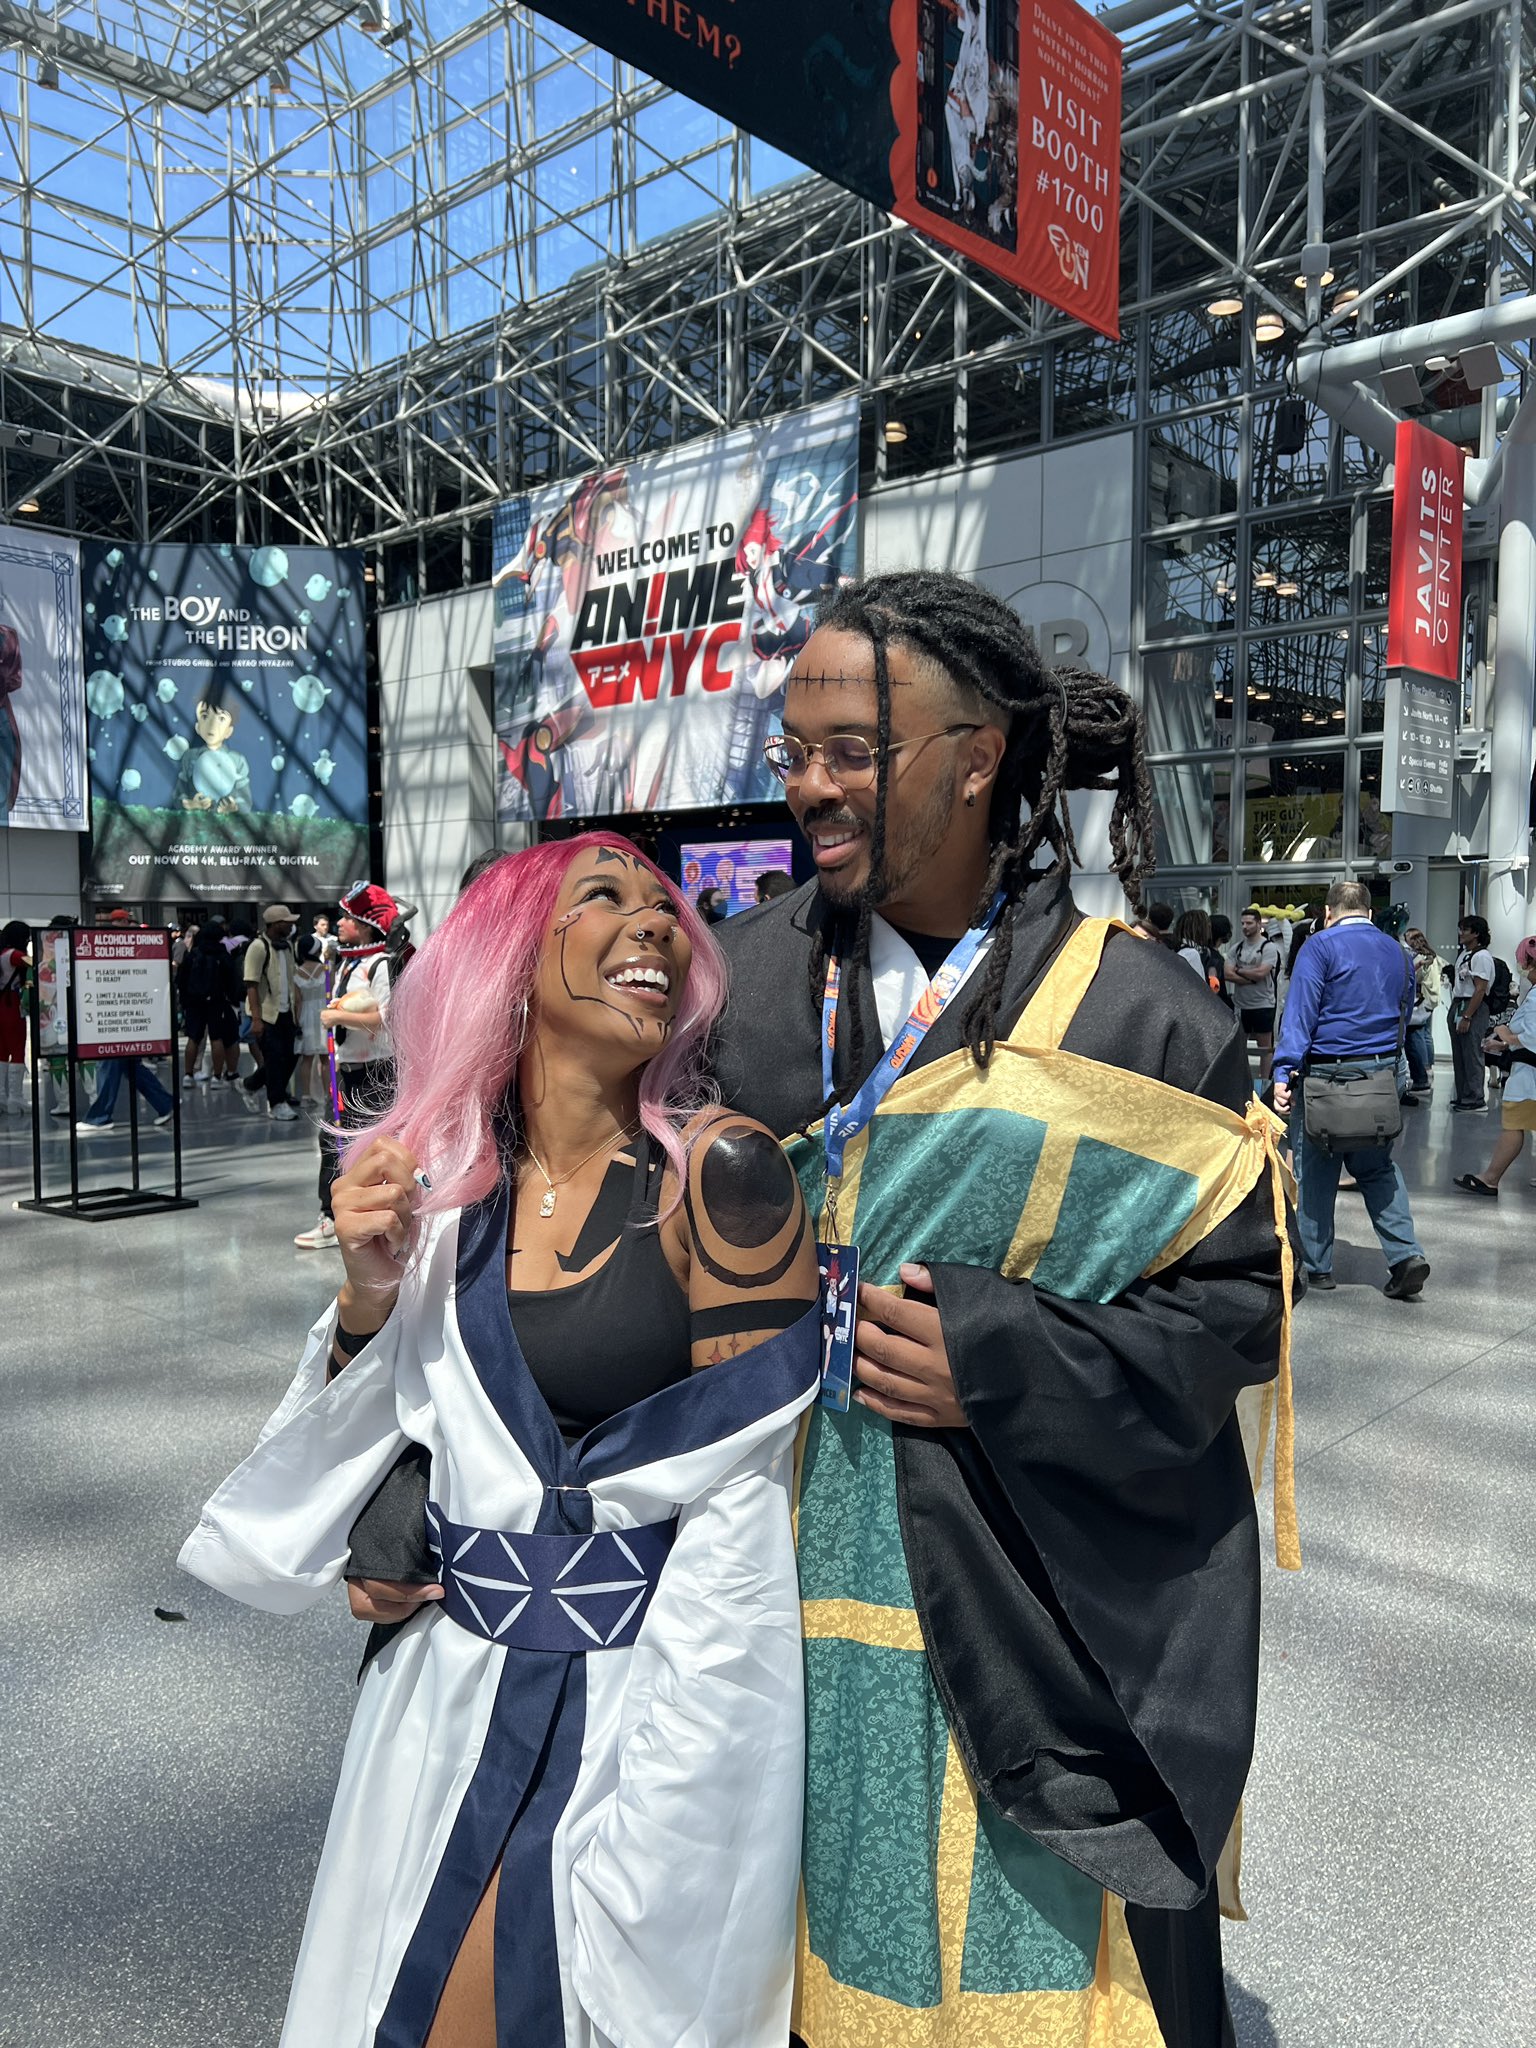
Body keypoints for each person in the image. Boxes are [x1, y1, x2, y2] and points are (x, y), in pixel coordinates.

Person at [711, 570, 1295, 2048]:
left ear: (977, 758)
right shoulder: (742, 989)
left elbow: (1235, 1316)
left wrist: (1003, 1357)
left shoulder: (1140, 1013)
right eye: (794, 752)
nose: (811, 787)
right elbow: (588, 1240)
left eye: (853, 750)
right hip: (764, 1591)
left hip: (1032, 1604)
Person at [180, 834, 822, 2046]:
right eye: (604, 897)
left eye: (662, 906)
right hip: (433, 1703)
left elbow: (745, 1522)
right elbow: (372, 1437)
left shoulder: (724, 1178)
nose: (655, 922)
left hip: (637, 1709)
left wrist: (684, 1811)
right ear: (511, 960)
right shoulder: (443, 1185)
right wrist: (369, 1294)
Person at [1271, 880, 1427, 1299]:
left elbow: (1300, 1013)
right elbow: (1405, 1010)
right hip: (1381, 1075)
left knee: (1316, 1172)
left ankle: (1317, 1267)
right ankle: (1405, 1256)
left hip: (1327, 1078)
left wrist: (1284, 1071)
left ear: (1328, 913)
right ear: (1370, 913)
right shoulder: (1398, 951)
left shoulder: (1319, 947)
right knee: (1377, 1168)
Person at [294, 883, 404, 1251]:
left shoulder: (380, 964)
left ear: (365, 925)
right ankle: (331, 1216)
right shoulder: (346, 962)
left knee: (372, 1146)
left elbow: (386, 1019)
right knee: (332, 1140)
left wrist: (338, 1016)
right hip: (346, 1070)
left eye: (347, 918)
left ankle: (378, 1221)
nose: (339, 923)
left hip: (376, 1071)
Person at [1454, 936, 1536, 1196]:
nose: (1522, 967)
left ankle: (1491, 1178)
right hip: (1527, 1068)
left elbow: (1533, 1037)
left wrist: (1506, 1035)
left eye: (1525, 963)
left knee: (1514, 1124)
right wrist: (1504, 1044)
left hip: (1528, 1075)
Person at [240, 903, 302, 1121]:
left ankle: (252, 1084)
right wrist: (256, 1019)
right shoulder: (258, 947)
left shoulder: (288, 947)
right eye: (287, 922)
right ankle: (276, 1103)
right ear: (276, 924)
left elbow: (291, 980)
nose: (292, 926)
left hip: (286, 1013)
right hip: (266, 1014)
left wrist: (297, 1010)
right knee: (275, 1058)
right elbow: (251, 984)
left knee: (290, 1056)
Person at [178, 919, 240, 1089]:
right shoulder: (223, 955)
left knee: (193, 1038)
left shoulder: (192, 955)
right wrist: (232, 999)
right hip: (217, 1001)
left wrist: (184, 1001)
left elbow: (182, 980)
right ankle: (217, 1077)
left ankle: (188, 1075)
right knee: (216, 1038)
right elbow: (232, 981)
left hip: (194, 1002)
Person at [1228, 904, 1282, 1078]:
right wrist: (1250, 977)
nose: (1245, 927)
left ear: (1259, 924)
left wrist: (1239, 971)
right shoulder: (1236, 948)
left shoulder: (1269, 947)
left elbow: (1261, 973)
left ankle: (1264, 1081)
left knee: (1264, 1047)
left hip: (1263, 1004)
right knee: (1239, 1046)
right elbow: (1227, 974)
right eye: (1243, 923)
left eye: (1249, 923)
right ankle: (1241, 1080)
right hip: (1241, 1005)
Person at [1449, 915, 1495, 1110]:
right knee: (1460, 1054)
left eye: (1465, 930)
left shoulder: (1482, 956)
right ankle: (1463, 1095)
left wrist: (1467, 1016)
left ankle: (1475, 1098)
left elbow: (1480, 989)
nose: (1461, 933)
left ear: (1476, 933)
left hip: (1472, 1006)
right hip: (1459, 1003)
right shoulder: (1464, 954)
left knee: (1472, 1053)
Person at [1403, 927, 1441, 1095]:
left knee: (1416, 1036)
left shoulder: (1421, 958)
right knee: (1425, 1035)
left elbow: (1416, 977)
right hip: (1429, 1000)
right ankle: (1427, 1068)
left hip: (1421, 1000)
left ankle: (1422, 1073)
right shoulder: (1431, 956)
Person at [293, 936, 329, 1105]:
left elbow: (297, 1001)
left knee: (306, 1059)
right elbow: (331, 989)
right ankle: (328, 1095)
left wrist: (296, 1021)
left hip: (305, 1016)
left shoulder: (296, 972)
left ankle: (306, 1096)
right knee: (325, 1057)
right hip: (324, 1013)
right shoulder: (326, 968)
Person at [0, 919, 30, 1116]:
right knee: (18, 1049)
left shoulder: (1, 953)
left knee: (1, 1051)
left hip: (1, 1004)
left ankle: (1, 1097)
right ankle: (16, 1098)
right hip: (12, 1005)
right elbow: (37, 964)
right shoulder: (15, 955)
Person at [1173, 906, 1225, 1000]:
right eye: (1208, 926)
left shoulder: (1180, 949)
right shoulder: (1191, 954)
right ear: (1200, 929)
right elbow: (1199, 990)